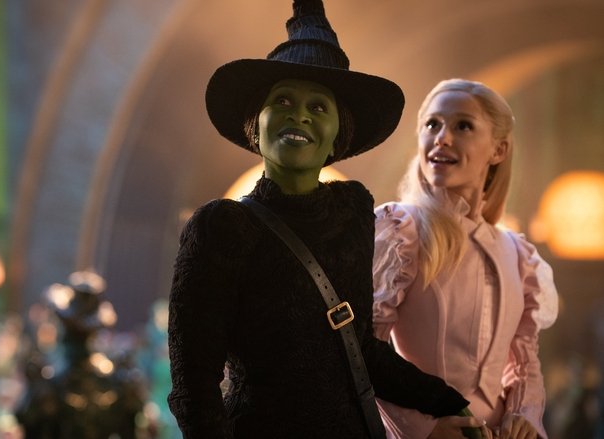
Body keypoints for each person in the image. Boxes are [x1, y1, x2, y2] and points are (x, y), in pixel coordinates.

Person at [167, 1, 476, 437]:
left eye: (318, 107)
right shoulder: (221, 227)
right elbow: (193, 388)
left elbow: (361, 349)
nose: (299, 114)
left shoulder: (352, 212)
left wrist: (450, 403)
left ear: (337, 136)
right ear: (256, 124)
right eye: (283, 100)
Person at [372, 78, 559, 439]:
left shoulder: (518, 254)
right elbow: (365, 352)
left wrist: (524, 415)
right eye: (432, 124)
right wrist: (424, 430)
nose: (442, 137)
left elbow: (524, 363)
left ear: (498, 150)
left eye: (462, 126)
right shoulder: (400, 231)